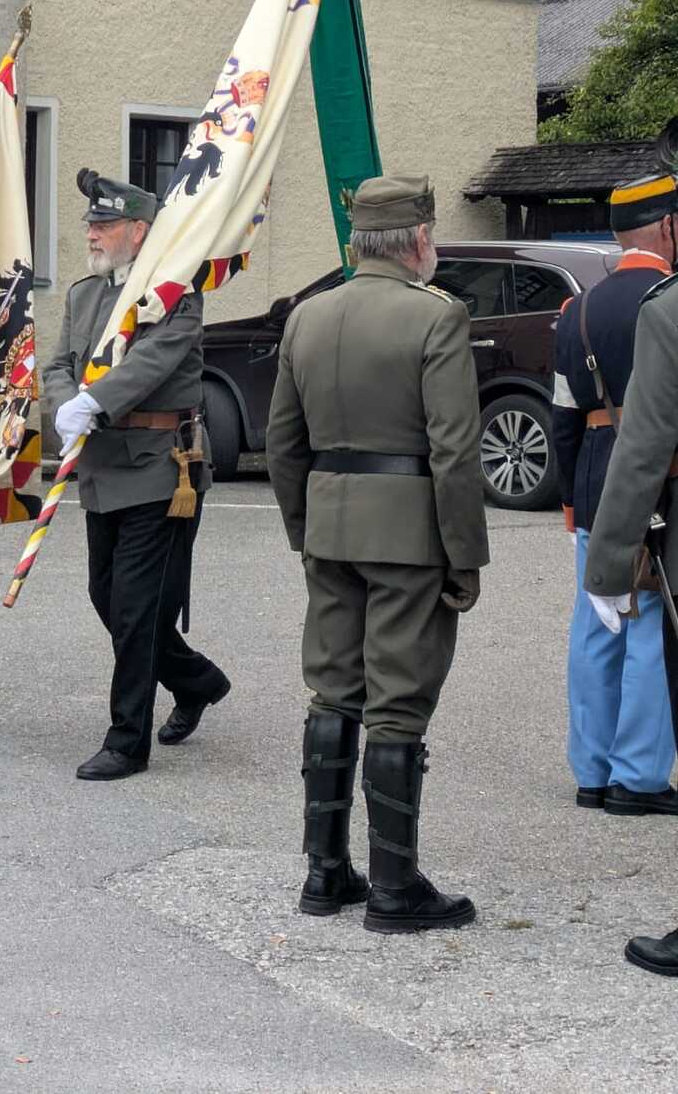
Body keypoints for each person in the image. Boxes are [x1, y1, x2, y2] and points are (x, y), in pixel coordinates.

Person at [266, 175, 488, 934]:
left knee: (333, 691)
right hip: (407, 536)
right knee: (397, 701)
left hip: (331, 528)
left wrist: (306, 529)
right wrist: (464, 555)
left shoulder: (308, 315)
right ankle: (394, 887)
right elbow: (455, 451)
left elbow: (283, 443)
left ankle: (324, 873)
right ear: (419, 239)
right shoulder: (437, 315)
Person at [43, 171, 231, 783]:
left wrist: (95, 402)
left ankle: (127, 741)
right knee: (109, 596)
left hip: (158, 467)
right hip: (103, 467)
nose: (92, 234)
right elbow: (59, 364)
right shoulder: (84, 295)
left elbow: (152, 361)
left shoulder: (175, 292)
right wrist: (67, 404)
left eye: (105, 225)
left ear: (140, 231)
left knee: (137, 607)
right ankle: (196, 680)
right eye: (91, 224)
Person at [579, 117, 678, 978]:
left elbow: (632, 436)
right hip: (632, 482)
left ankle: (594, 766)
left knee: (604, 636)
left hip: (609, 481)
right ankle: (638, 773)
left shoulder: (591, 306)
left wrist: (609, 549)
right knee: (644, 652)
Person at [551, 170, 678, 814]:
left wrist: (570, 499)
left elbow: (563, 416)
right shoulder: (667, 301)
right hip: (658, 478)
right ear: (668, 226)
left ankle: (592, 771)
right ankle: (641, 777)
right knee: (652, 628)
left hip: (594, 475)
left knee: (595, 624)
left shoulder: (574, 310)